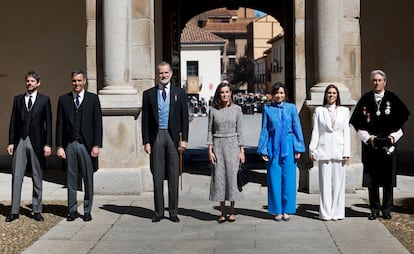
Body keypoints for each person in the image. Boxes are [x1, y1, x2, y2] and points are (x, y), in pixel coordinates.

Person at [350, 69, 410, 220]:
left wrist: (392, 138)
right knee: (373, 179)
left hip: (388, 145)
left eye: (379, 80)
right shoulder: (366, 99)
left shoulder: (393, 99)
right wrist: (368, 138)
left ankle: (387, 209)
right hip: (372, 145)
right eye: (374, 80)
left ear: (385, 82)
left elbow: (402, 124)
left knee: (388, 178)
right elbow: (357, 123)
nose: (377, 83)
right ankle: (374, 209)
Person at [141, 61, 189, 223]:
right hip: (156, 137)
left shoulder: (179, 93)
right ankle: (159, 212)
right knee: (157, 176)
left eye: (166, 73)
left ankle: (173, 211)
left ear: (171, 74)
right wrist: (146, 141)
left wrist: (185, 140)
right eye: (161, 73)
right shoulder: (148, 94)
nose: (164, 75)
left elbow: (184, 119)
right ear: (157, 74)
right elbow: (145, 120)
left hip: (173, 138)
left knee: (174, 175)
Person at [56, 69, 103, 222]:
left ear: (84, 82)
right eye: (74, 81)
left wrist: (97, 145)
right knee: (70, 179)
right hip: (69, 144)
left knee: (88, 178)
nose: (76, 83)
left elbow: (98, 124)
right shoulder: (63, 99)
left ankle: (87, 210)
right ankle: (72, 210)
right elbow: (60, 125)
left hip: (87, 145)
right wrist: (59, 146)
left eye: (79, 80)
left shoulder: (93, 99)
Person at [6, 71, 52, 222]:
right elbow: (13, 122)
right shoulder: (18, 99)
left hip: (37, 142)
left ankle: (37, 209)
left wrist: (47, 144)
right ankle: (14, 210)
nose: (29, 83)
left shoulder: (45, 100)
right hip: (20, 141)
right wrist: (11, 142)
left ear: (38, 83)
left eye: (32, 81)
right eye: (27, 81)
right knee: (16, 176)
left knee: (37, 176)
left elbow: (49, 124)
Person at [257, 82, 305, 222]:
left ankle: (287, 209)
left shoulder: (291, 108)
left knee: (289, 179)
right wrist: (263, 149)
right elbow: (265, 130)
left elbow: (297, 128)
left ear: (285, 95)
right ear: (273, 94)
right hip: (273, 145)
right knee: (274, 179)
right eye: (277, 93)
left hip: (289, 145)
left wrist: (298, 148)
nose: (279, 95)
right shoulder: (267, 109)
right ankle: (277, 210)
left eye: (282, 93)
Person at [309, 84, 350, 221]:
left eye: (334, 93)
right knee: (325, 184)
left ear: (337, 96)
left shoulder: (344, 111)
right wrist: (312, 149)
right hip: (324, 150)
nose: (331, 95)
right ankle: (325, 213)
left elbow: (346, 132)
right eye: (329, 93)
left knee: (338, 184)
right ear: (325, 95)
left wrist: (346, 152)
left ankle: (337, 212)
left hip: (339, 150)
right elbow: (316, 131)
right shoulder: (319, 111)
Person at [207, 82, 245, 223]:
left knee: (232, 178)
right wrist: (210, 150)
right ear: (219, 94)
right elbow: (209, 131)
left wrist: (242, 151)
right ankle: (222, 212)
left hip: (233, 145)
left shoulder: (237, 109)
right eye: (222, 92)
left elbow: (240, 130)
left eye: (227, 92)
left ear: (231, 94)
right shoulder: (213, 110)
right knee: (219, 178)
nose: (225, 95)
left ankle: (232, 211)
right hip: (218, 145)